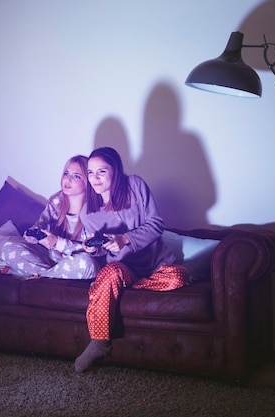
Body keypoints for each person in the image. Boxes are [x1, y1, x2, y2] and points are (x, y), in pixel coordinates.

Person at [74, 147, 189, 372]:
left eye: (101, 172)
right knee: (108, 273)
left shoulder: (135, 185)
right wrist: (92, 249)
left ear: (115, 171)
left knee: (180, 276)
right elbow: (101, 252)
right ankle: (98, 342)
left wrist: (125, 238)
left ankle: (120, 289)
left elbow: (156, 224)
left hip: (156, 267)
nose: (94, 179)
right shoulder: (87, 212)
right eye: (90, 173)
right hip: (124, 268)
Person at [1, 155, 99, 280]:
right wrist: (34, 234)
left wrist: (57, 242)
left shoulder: (93, 212)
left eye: (76, 176)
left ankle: (38, 278)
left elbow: (89, 249)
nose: (68, 179)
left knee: (86, 263)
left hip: (75, 263)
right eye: (66, 173)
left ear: (87, 182)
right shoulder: (56, 201)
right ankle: (48, 277)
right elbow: (43, 222)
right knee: (8, 248)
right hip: (50, 259)